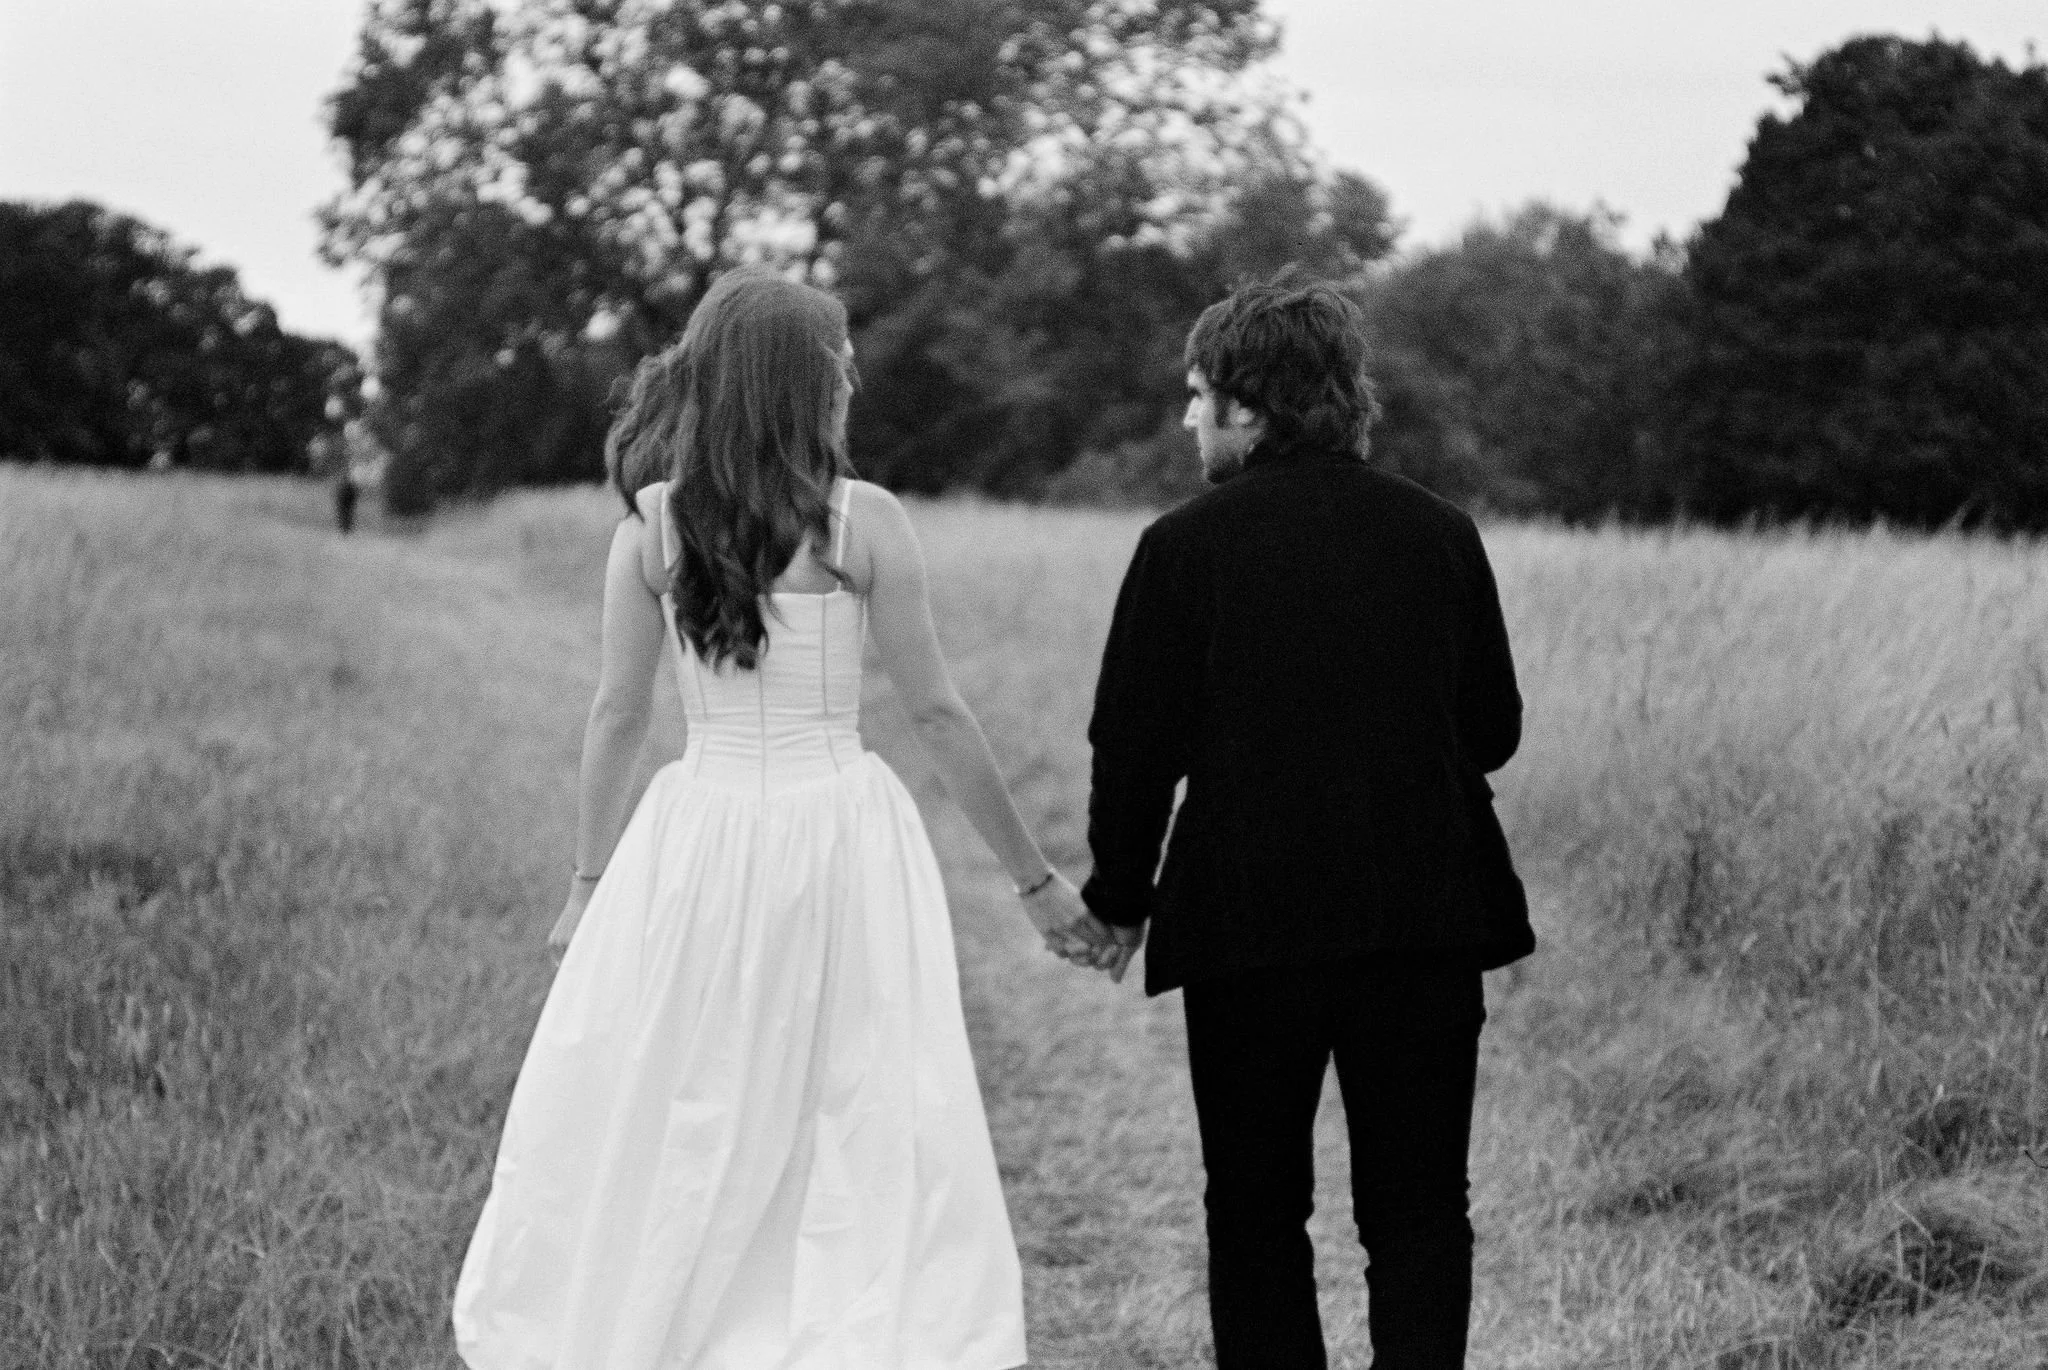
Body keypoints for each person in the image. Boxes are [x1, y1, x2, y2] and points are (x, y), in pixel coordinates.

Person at [452, 267, 1111, 1370]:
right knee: (848, 1090)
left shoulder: (651, 527)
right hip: (838, 833)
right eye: (840, 357)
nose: (852, 371)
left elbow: (618, 713)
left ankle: (696, 1326)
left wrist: (587, 879)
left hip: (697, 832)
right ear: (805, 382)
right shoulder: (863, 522)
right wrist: (1035, 881)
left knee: (695, 1087)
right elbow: (937, 711)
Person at [1075, 276, 1533, 1369]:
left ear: (1249, 401)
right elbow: (1493, 727)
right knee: (1420, 1206)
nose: (1187, 418)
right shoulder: (1439, 533)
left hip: (1248, 923)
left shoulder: (1181, 548)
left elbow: (1133, 749)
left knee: (1253, 1206)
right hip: (1421, 913)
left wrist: (1117, 899)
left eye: (1197, 396)